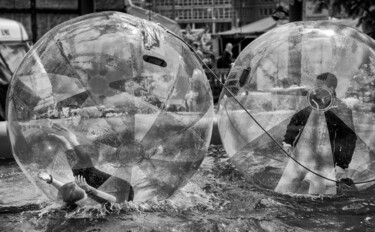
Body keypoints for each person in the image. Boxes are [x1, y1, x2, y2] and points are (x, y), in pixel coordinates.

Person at [275, 72, 357, 195]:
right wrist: (288, 142)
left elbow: (349, 138)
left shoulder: (341, 109)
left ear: (331, 88)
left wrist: (341, 164)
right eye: (315, 85)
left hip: (326, 160)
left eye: (320, 86)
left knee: (319, 195)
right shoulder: (308, 103)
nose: (316, 89)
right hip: (301, 155)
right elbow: (295, 123)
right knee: (285, 189)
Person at [38, 124, 134, 205]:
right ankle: (71, 141)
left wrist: (51, 180)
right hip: (122, 192)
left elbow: (68, 191)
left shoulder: (76, 200)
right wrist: (88, 189)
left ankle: (66, 143)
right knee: (86, 175)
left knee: (81, 177)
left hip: (99, 193)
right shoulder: (88, 202)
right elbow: (113, 199)